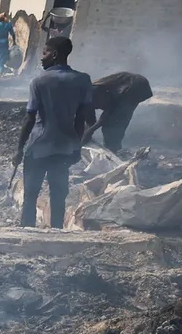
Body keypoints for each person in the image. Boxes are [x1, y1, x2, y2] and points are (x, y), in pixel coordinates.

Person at [13, 36, 94, 229]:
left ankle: (27, 230)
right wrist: (76, 147)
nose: (42, 58)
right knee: (59, 194)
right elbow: (83, 118)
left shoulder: (39, 81)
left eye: (45, 53)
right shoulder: (83, 80)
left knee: (31, 194)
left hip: (38, 147)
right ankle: (57, 230)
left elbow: (30, 119)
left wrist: (18, 149)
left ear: (55, 54)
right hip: (64, 148)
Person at [84, 72, 154, 153]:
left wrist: (90, 131)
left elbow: (110, 111)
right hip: (129, 88)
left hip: (135, 86)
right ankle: (114, 149)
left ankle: (113, 152)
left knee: (113, 125)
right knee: (115, 123)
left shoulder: (91, 92)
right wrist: (87, 132)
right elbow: (90, 120)